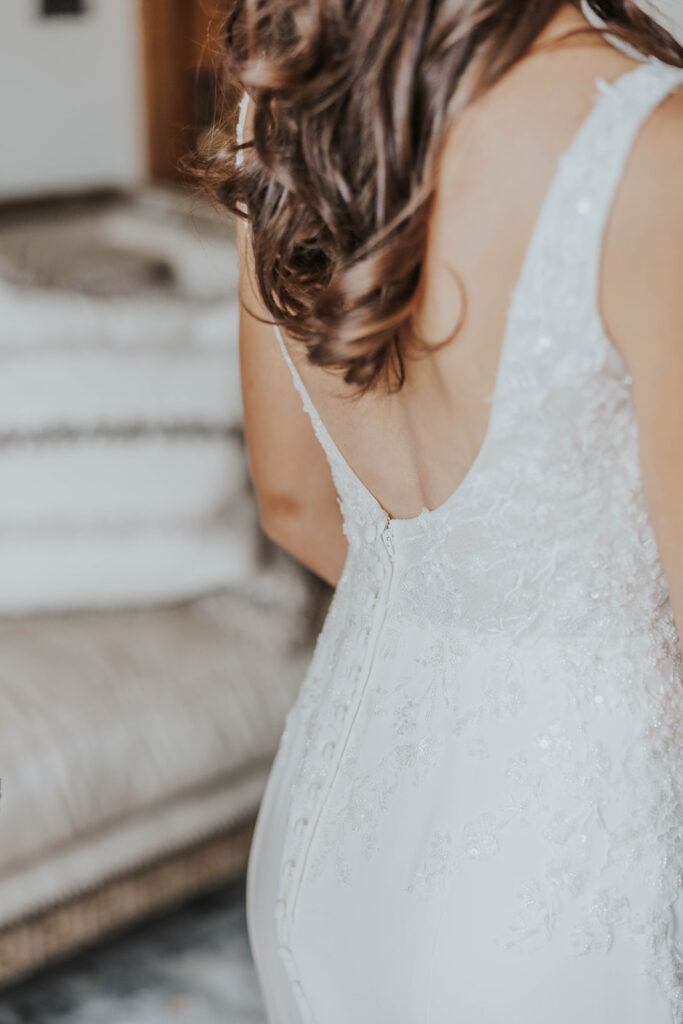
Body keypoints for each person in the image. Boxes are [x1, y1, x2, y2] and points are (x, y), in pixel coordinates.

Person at [209, 0, 683, 1019]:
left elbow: (291, 502)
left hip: (330, 830)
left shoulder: (286, 95)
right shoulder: (652, 146)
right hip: (571, 882)